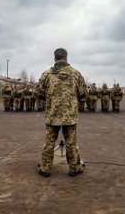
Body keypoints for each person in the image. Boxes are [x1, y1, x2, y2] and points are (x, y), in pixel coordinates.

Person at [36, 48, 84, 177]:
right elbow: (83, 94)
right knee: (71, 143)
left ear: (54, 58)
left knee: (49, 142)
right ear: (66, 57)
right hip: (70, 116)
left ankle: (45, 168)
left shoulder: (47, 74)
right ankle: (74, 168)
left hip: (52, 115)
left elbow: (38, 93)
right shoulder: (76, 74)